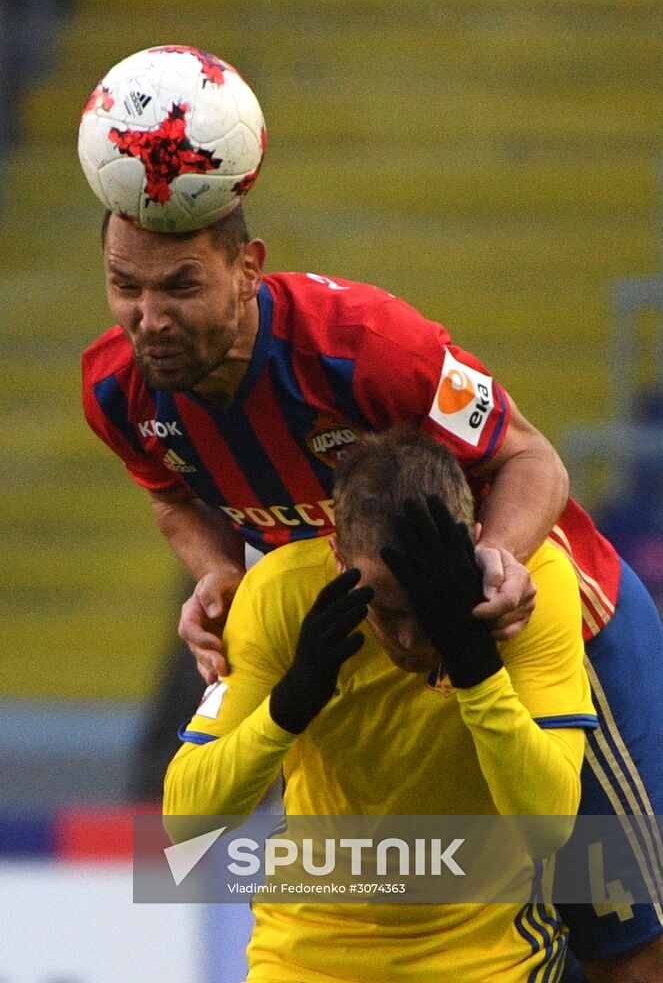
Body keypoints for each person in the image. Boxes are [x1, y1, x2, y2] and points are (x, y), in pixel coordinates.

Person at [82, 207, 663, 981]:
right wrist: (218, 571)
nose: (148, 319)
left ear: (247, 268)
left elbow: (531, 458)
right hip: (353, 613)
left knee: (620, 931)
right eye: (126, 287)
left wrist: (478, 583)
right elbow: (172, 497)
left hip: (539, 623)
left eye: (180, 287)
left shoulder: (367, 347)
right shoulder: (120, 391)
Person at [163, 427, 598, 983]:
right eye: (387, 609)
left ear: (478, 542)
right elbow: (185, 821)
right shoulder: (281, 593)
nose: (412, 639)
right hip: (304, 956)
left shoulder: (529, 591)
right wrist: (287, 708)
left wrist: (477, 668)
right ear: (338, 554)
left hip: (486, 962)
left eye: (427, 607)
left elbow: (549, 826)